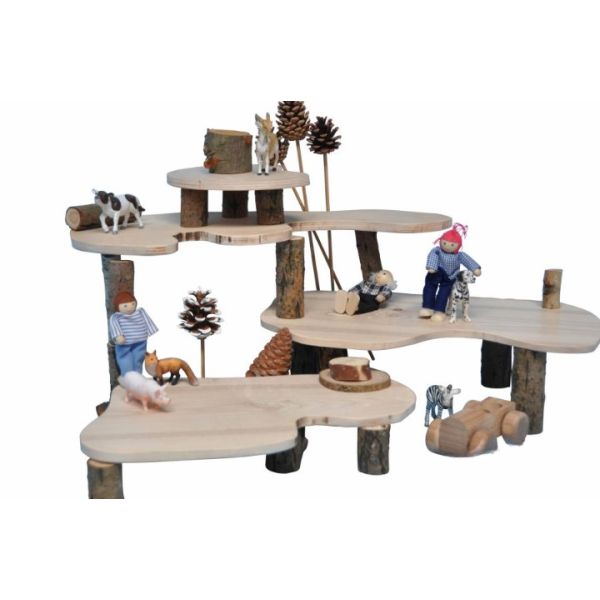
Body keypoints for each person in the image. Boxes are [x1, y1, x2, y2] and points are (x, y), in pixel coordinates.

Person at [421, 224, 481, 322]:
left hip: (450, 276)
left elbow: (468, 260)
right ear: (440, 241)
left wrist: (475, 269)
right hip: (436, 272)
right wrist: (432, 266)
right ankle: (427, 308)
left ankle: (439, 311)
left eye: (452, 245)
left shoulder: (459, 255)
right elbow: (433, 256)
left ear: (458, 245)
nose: (447, 246)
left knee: (444, 293)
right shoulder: (437, 250)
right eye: (444, 242)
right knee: (429, 288)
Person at [109, 291, 158, 374]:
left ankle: (137, 376)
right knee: (124, 359)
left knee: (138, 359)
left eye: (132, 304)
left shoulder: (140, 312)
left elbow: (147, 321)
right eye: (125, 306)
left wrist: (151, 330)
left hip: (141, 341)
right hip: (124, 343)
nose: (130, 307)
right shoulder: (116, 316)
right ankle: (128, 376)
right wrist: (118, 336)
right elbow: (115, 326)